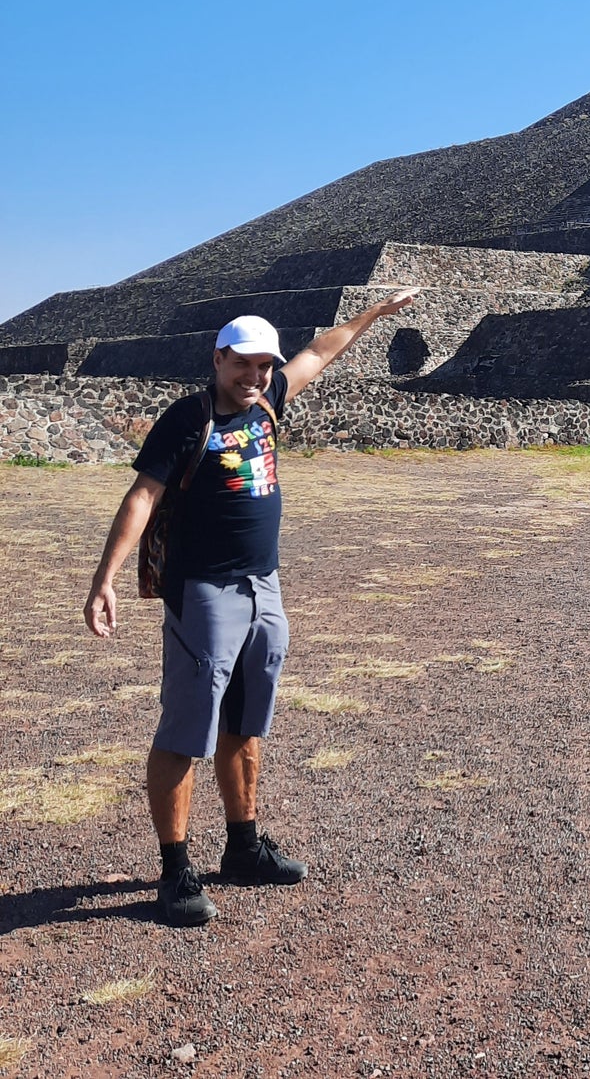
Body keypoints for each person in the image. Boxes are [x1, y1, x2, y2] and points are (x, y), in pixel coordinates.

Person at [82, 293, 415, 925]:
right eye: (244, 365)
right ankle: (175, 870)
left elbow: (321, 350)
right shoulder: (187, 418)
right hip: (204, 590)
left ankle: (242, 847)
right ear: (218, 358)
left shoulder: (268, 403)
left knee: (246, 720)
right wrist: (106, 579)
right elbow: (142, 496)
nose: (256, 377)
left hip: (264, 587)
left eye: (265, 366)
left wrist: (374, 314)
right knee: (187, 729)